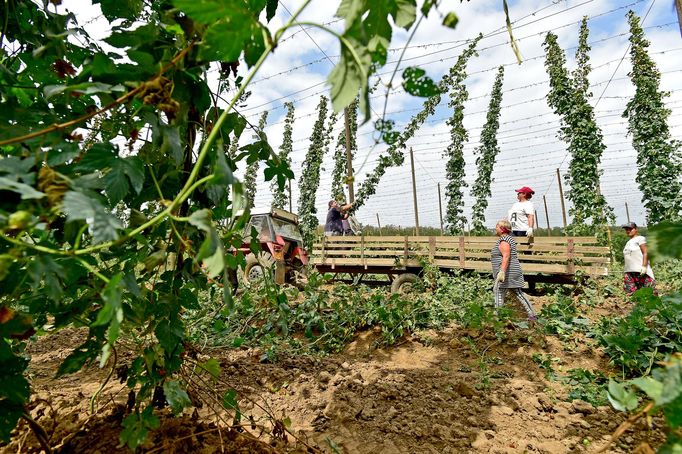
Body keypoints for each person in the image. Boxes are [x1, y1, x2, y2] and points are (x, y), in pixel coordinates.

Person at [491, 219, 537, 322]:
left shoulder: (504, 240)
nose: (495, 228)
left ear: (502, 229)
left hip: (508, 273)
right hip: (510, 272)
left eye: (497, 226)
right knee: (517, 293)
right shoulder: (507, 238)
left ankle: (497, 318)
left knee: (499, 291)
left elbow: (506, 256)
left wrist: (502, 271)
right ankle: (532, 316)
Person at [622, 222, 656, 294]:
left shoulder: (640, 239)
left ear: (636, 229)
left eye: (630, 229)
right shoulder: (628, 243)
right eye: (626, 229)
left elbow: (645, 252)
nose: (628, 231)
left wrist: (644, 266)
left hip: (641, 271)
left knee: (649, 293)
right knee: (633, 294)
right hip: (629, 272)